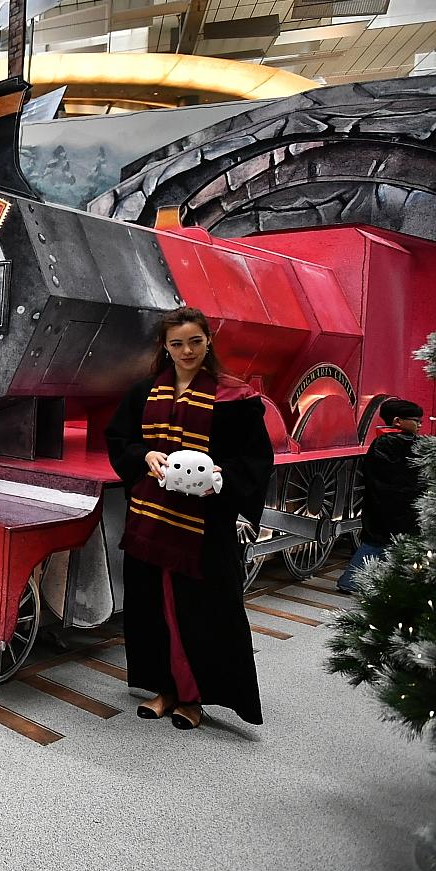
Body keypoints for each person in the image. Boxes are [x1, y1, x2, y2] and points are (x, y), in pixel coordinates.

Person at [103, 306, 272, 731]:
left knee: (201, 613)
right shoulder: (144, 393)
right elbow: (119, 440)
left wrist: (221, 476)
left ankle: (195, 698)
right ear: (165, 346)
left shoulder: (235, 398)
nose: (186, 350)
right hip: (152, 522)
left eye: (195, 341)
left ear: (208, 340)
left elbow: (256, 459)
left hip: (204, 528)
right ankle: (165, 689)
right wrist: (145, 455)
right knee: (152, 609)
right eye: (177, 343)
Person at [338, 398, 426, 594]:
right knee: (379, 544)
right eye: (416, 420)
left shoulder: (382, 442)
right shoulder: (402, 444)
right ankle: (351, 580)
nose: (420, 425)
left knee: (378, 542)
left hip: (381, 504)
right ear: (397, 421)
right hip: (396, 506)